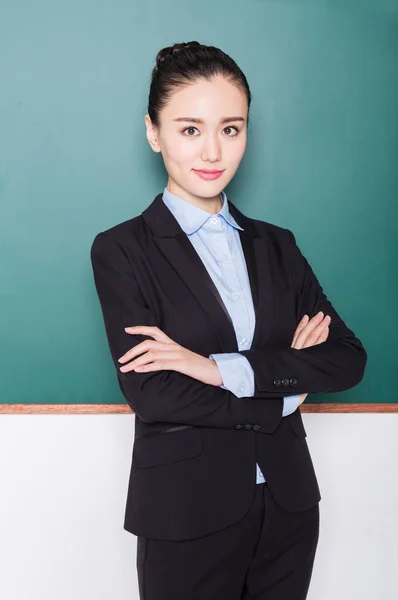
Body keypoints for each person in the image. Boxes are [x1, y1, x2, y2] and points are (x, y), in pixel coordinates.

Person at [90, 41, 367, 600]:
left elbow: (345, 359)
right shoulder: (122, 249)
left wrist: (213, 368)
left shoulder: (277, 246)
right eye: (190, 129)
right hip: (186, 510)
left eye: (231, 129)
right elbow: (153, 392)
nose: (213, 150)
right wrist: (285, 390)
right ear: (154, 132)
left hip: (288, 507)